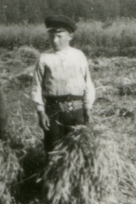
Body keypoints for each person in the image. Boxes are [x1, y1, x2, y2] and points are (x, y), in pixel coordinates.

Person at [31, 15, 96, 154]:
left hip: (77, 111)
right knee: (53, 149)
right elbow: (36, 87)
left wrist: (88, 108)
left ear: (70, 36)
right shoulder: (44, 58)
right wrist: (41, 112)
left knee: (78, 149)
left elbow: (88, 83)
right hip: (53, 111)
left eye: (59, 36)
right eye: (51, 36)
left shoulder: (78, 56)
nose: (55, 40)